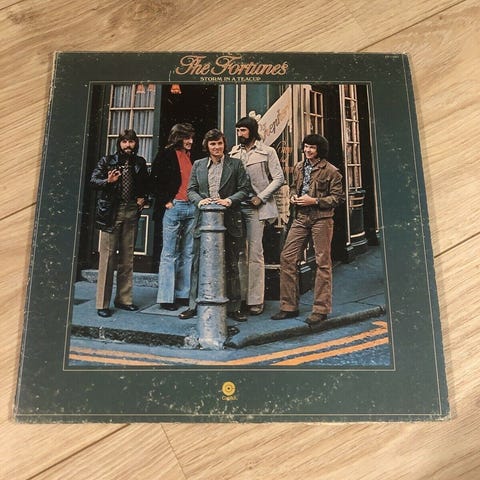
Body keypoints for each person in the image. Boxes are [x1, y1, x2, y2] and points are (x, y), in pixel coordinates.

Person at [271, 134, 344, 324]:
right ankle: (289, 307)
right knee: (287, 257)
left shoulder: (331, 171)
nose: (307, 150)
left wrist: (315, 201)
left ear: (320, 150)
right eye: (305, 147)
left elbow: (337, 198)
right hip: (301, 218)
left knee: (322, 262)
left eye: (312, 147)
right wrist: (293, 196)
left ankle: (321, 309)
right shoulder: (299, 167)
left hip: (322, 219)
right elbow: (294, 187)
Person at [179, 128, 249, 322]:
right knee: (198, 264)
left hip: (229, 219)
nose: (217, 147)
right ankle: (193, 305)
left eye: (219, 143)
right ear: (207, 146)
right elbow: (191, 190)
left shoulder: (236, 164)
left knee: (231, 264)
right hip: (204, 220)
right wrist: (199, 201)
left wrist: (229, 200)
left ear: (224, 144)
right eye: (213, 144)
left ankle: (234, 307)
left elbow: (244, 189)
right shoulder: (199, 165)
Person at [90, 129, 149, 318]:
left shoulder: (139, 162)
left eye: (131, 142)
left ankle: (124, 299)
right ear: (119, 143)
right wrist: (108, 181)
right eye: (124, 142)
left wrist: (143, 197)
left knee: (127, 257)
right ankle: (102, 303)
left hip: (131, 210)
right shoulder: (107, 161)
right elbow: (93, 181)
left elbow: (146, 184)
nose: (128, 145)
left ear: (135, 143)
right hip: (111, 212)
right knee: (107, 257)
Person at [230, 116, 285, 315]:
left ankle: (255, 301)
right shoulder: (234, 152)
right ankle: (241, 298)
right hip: (237, 208)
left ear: (252, 131)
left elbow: (279, 178)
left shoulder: (267, 151)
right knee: (239, 254)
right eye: (238, 130)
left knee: (255, 253)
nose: (240, 134)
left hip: (256, 209)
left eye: (243, 130)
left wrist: (261, 197)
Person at [150, 123, 196, 311]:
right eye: (187, 138)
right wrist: (166, 201)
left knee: (188, 251)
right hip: (174, 206)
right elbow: (154, 180)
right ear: (178, 138)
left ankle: (183, 294)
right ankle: (166, 298)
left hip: (191, 207)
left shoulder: (190, 156)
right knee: (169, 253)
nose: (190, 141)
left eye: (191, 137)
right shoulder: (165, 155)